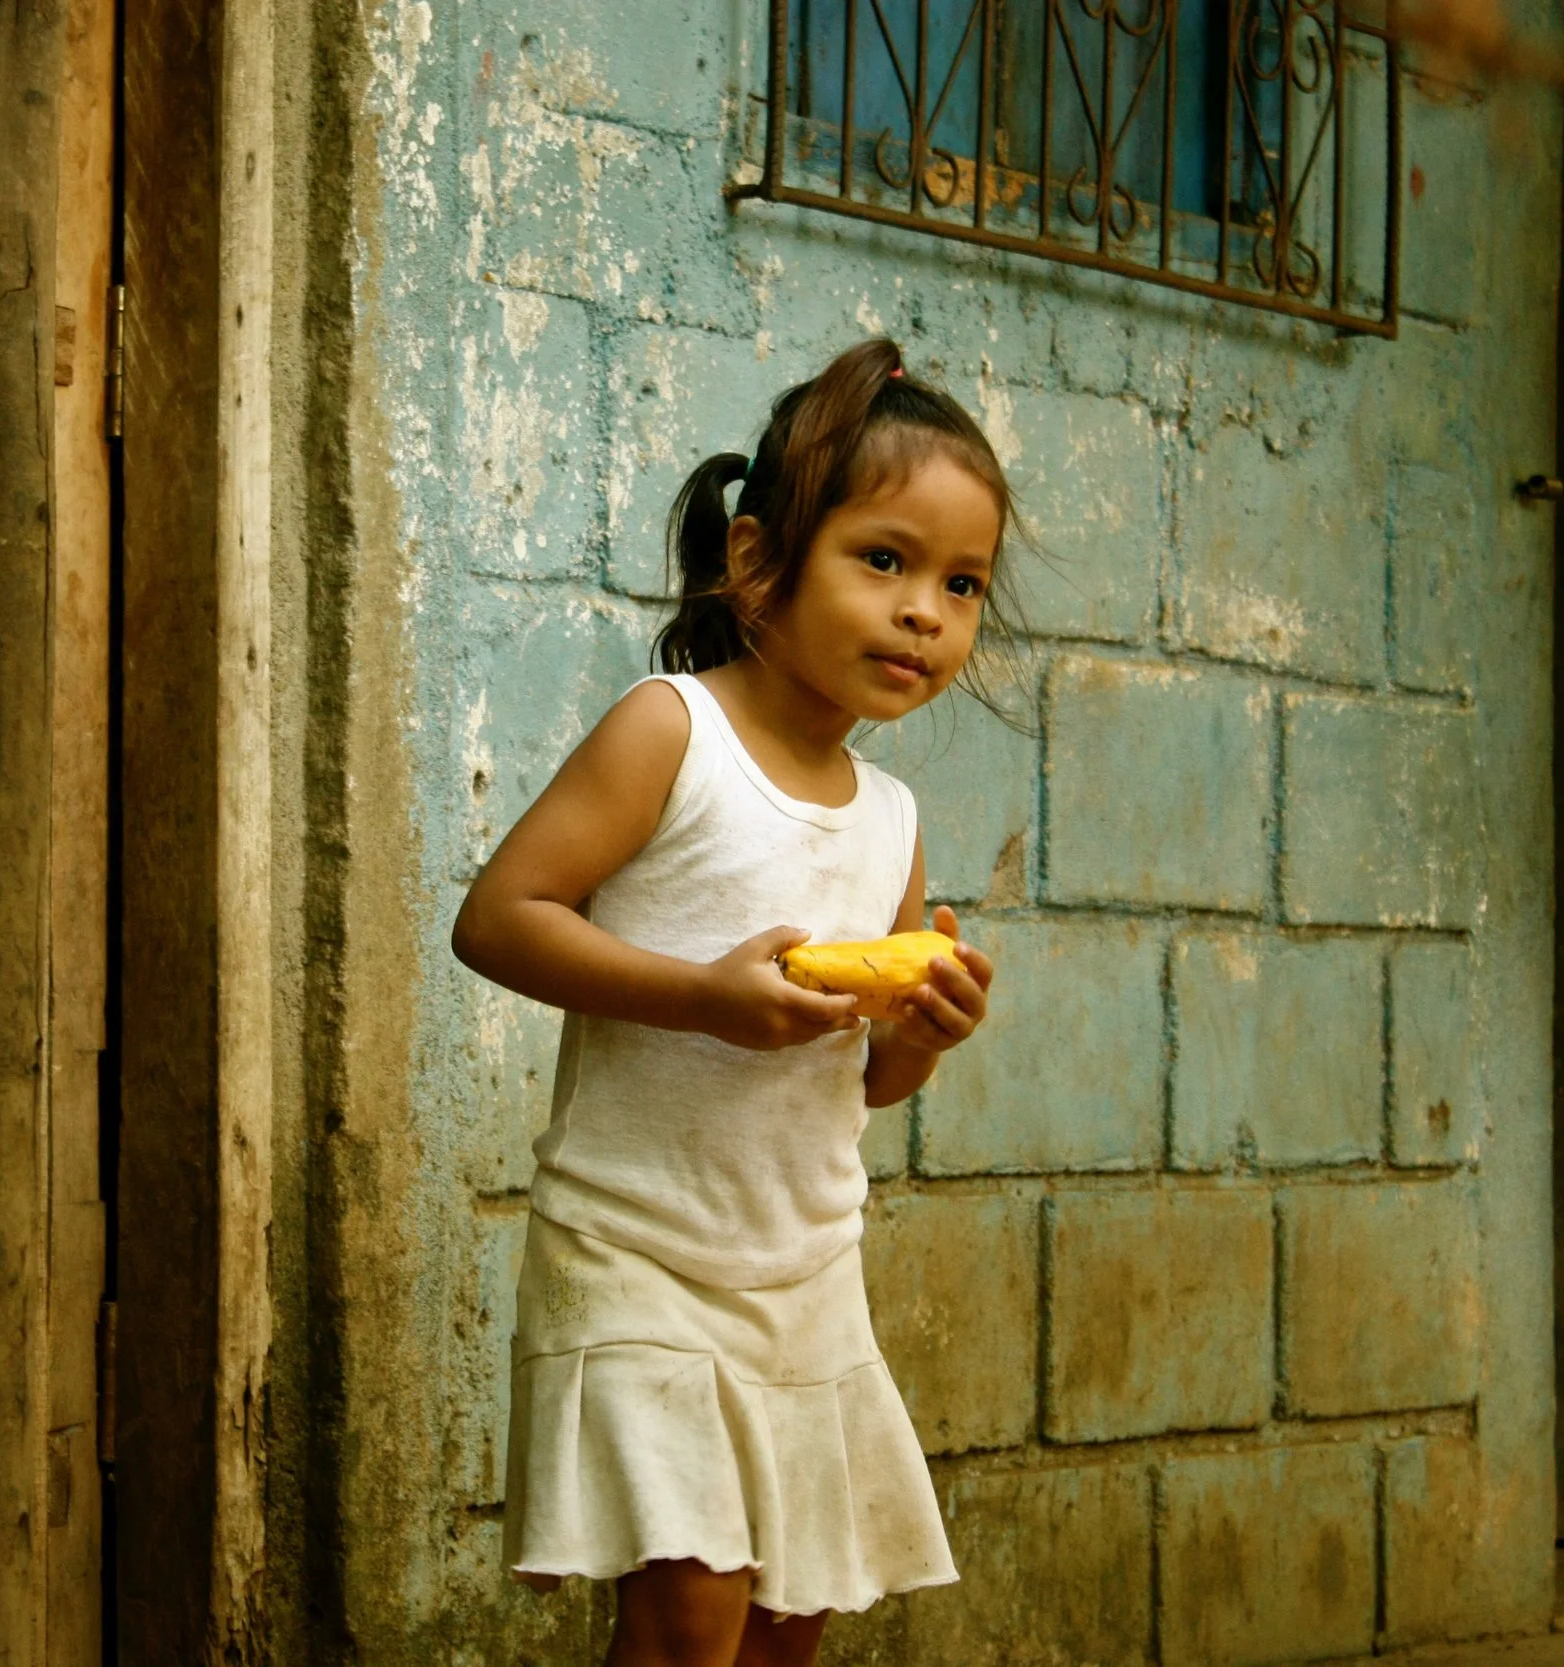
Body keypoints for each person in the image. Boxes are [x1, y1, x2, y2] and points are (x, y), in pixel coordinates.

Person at [450, 338, 1012, 1666]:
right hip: (642, 1253)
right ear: (757, 564)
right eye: (884, 560)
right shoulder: (672, 732)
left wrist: (919, 1038)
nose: (925, 609)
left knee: (783, 1622)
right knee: (692, 1606)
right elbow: (499, 919)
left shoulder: (893, 818)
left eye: (962, 582)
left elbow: (863, 1081)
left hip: (805, 1274)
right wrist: (705, 996)